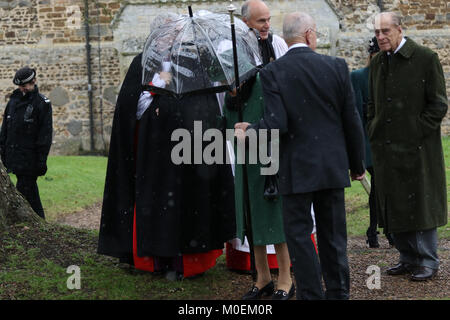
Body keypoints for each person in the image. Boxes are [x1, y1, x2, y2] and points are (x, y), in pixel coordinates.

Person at [235, 12, 366, 300]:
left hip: (295, 167)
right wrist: (357, 164)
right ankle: (338, 293)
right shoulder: (336, 66)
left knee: (299, 237)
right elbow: (351, 121)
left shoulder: (273, 72)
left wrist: (249, 129)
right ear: (309, 34)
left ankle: (310, 295)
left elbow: (276, 124)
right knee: (333, 237)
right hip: (331, 166)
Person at [98, 14, 236, 280]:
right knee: (160, 206)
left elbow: (207, 102)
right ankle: (160, 260)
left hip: (190, 147)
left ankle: (191, 262)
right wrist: (159, 85)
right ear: (157, 36)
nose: (173, 39)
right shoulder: (142, 63)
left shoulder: (192, 60)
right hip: (155, 153)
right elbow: (132, 111)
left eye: (175, 34)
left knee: (191, 202)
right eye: (168, 34)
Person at [367, 12, 448, 281]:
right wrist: (374, 128)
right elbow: (372, 104)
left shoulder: (425, 58)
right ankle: (407, 257)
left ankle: (427, 260)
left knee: (420, 203)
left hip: (419, 150)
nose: (380, 37)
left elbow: (438, 105)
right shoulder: (378, 62)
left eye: (385, 31)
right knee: (395, 203)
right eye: (377, 32)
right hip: (387, 149)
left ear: (400, 30)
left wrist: (415, 133)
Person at [224, 66, 295, 300]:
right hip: (245, 165)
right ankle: (263, 278)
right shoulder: (231, 95)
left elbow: (275, 122)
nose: (230, 83)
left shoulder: (262, 85)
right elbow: (226, 125)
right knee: (252, 221)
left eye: (233, 77)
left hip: (268, 164)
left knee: (274, 221)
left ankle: (286, 279)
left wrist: (251, 130)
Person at [350, 37, 394, 248]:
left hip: (391, 141)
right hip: (369, 142)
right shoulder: (358, 77)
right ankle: (385, 229)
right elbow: (357, 112)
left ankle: (375, 229)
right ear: (371, 56)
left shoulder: (391, 76)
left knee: (383, 186)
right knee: (380, 183)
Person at [0, 66, 53, 220]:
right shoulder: (13, 102)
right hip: (13, 155)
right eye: (20, 87)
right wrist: (2, 151)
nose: (23, 90)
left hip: (29, 158)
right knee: (26, 192)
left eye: (25, 86)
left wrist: (41, 160)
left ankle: (37, 222)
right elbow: (6, 129)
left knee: (25, 190)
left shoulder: (41, 103)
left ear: (34, 81)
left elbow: (45, 134)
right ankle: (36, 222)